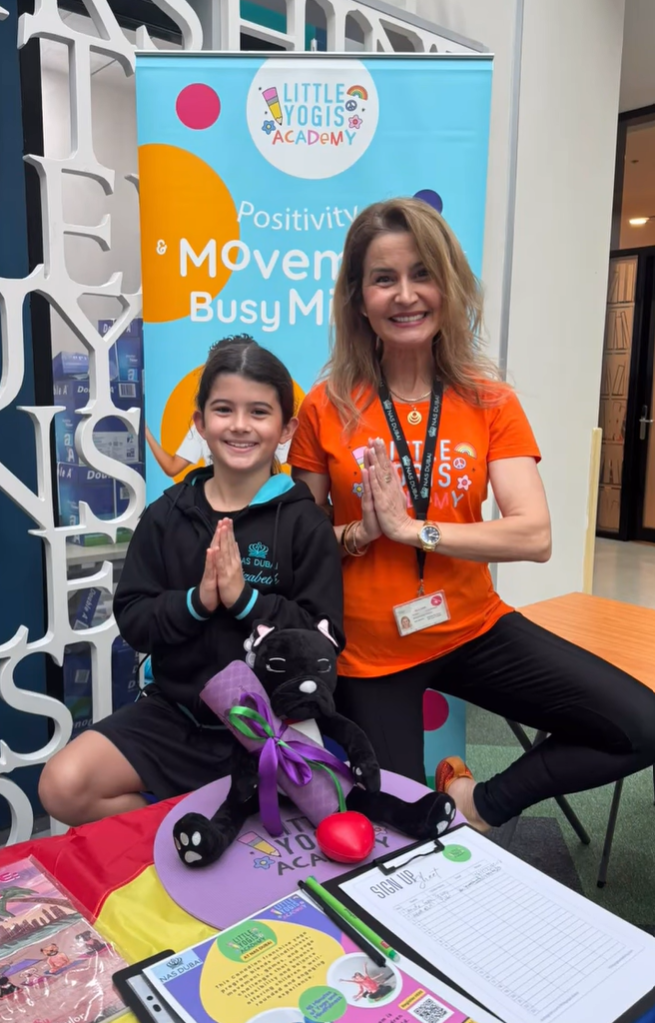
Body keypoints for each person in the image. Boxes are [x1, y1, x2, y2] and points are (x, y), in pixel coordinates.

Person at [289, 196, 655, 833]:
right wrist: (361, 532)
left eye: (422, 274)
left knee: (640, 725)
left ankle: (477, 802)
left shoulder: (489, 401)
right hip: (370, 653)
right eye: (384, 278)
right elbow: (301, 538)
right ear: (358, 299)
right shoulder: (327, 406)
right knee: (398, 830)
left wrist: (414, 531)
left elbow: (534, 534)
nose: (406, 295)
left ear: (450, 287)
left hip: (471, 628)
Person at [39, 336, 344, 826]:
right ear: (200, 423)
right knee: (63, 786)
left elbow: (324, 638)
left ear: (286, 428)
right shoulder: (166, 515)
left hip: (270, 728)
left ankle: (223, 822)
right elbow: (135, 619)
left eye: (259, 412)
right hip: (174, 716)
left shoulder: (304, 524)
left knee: (308, 828)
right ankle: (188, 827)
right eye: (224, 410)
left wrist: (246, 601)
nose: (240, 425)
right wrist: (196, 602)